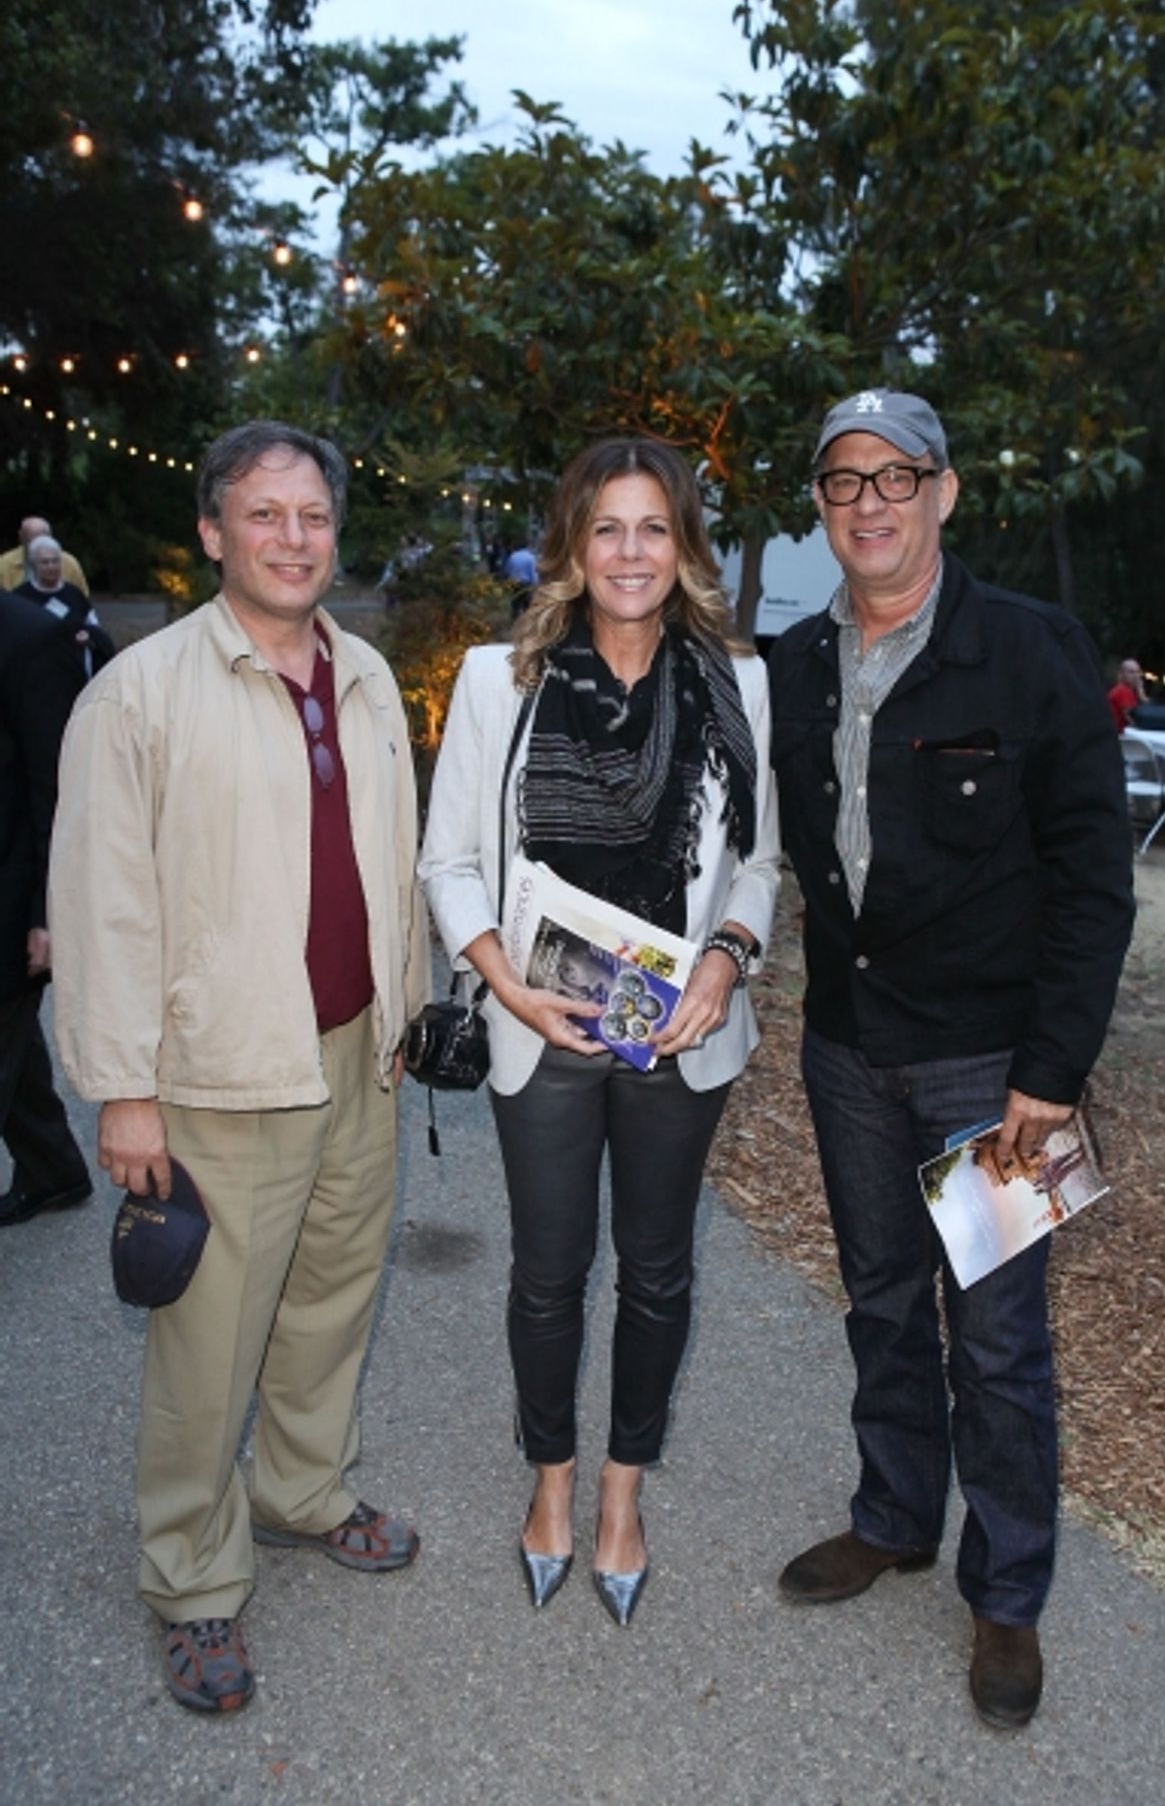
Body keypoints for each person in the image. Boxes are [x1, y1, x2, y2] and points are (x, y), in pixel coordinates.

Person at [48, 419, 431, 1715]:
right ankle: (192, 1577)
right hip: (216, 1071)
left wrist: (411, 1009)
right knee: (207, 1344)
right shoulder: (140, 694)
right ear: (213, 530)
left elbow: (390, 860)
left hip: (353, 1053)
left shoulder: (369, 677)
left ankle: (301, 1488)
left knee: (329, 1302)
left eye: (312, 515)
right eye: (263, 515)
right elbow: (99, 901)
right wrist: (124, 1086)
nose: (292, 538)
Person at [768, 388, 1133, 1730]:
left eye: (896, 476)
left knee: (999, 1340)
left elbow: (1096, 883)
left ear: (945, 492)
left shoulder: (1032, 651)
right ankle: (894, 1516)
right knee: (877, 1300)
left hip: (995, 1070)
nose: (869, 501)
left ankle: (1010, 1591)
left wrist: (1055, 1066)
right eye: (843, 480)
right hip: (850, 1055)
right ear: (822, 506)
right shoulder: (797, 664)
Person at [419, 436, 779, 1626]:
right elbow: (451, 861)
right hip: (545, 1026)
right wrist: (502, 985)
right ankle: (552, 1481)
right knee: (547, 1274)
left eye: (654, 528)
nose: (631, 552)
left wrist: (726, 962)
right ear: (572, 546)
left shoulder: (741, 679)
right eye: (607, 528)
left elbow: (759, 863)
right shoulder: (497, 681)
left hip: (678, 1033)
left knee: (661, 1271)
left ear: (684, 546)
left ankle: (624, 1489)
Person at [0, 595, 91, 1228]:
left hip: (11, 899)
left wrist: (50, 911)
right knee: (14, 1050)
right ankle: (53, 1169)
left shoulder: (31, 638)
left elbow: (60, 790)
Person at [12, 534, 114, 680]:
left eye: (55, 561)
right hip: (34, 673)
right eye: (45, 562)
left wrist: (88, 637)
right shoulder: (21, 597)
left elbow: (95, 628)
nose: (51, 567)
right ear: (34, 565)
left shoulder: (74, 595)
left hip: (72, 672)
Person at [0, 516, 90, 595]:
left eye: (42, 541)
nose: (37, 547)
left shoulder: (69, 563)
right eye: (32, 542)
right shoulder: (4, 564)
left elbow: (82, 598)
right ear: (21, 538)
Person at [1107, 657, 1145, 732]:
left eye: (1138, 672)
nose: (1136, 676)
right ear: (1122, 674)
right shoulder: (1123, 691)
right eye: (1131, 672)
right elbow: (1132, 719)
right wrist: (1141, 693)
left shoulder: (1125, 690)